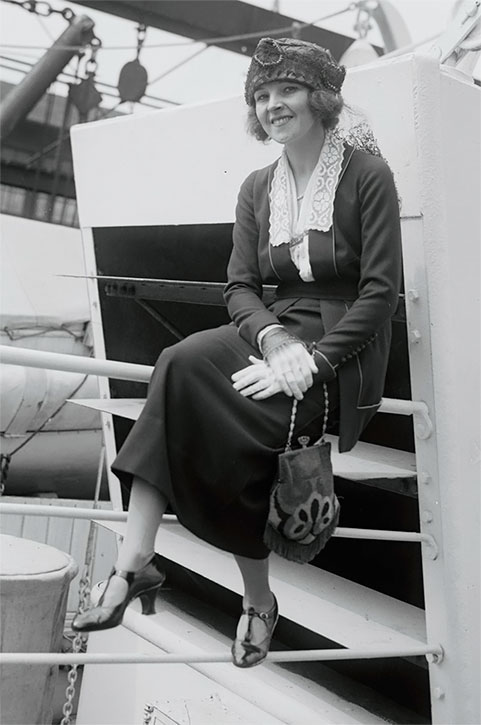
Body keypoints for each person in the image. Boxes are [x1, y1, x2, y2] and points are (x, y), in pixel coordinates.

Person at [72, 37, 402, 668]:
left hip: (345, 348)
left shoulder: (367, 175)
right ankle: (134, 560)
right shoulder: (257, 187)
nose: (273, 104)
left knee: (241, 427)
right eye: (262, 95)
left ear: (320, 97)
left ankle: (256, 600)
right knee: (179, 364)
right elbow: (240, 289)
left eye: (287, 90)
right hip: (276, 327)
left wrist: (313, 361)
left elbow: (381, 294)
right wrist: (274, 340)